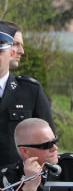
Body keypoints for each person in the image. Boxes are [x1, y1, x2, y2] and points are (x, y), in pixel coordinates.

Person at [0, 23, 54, 167]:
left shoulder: (30, 91)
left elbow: (49, 144)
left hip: (18, 183)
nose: (21, 51)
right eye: (16, 44)